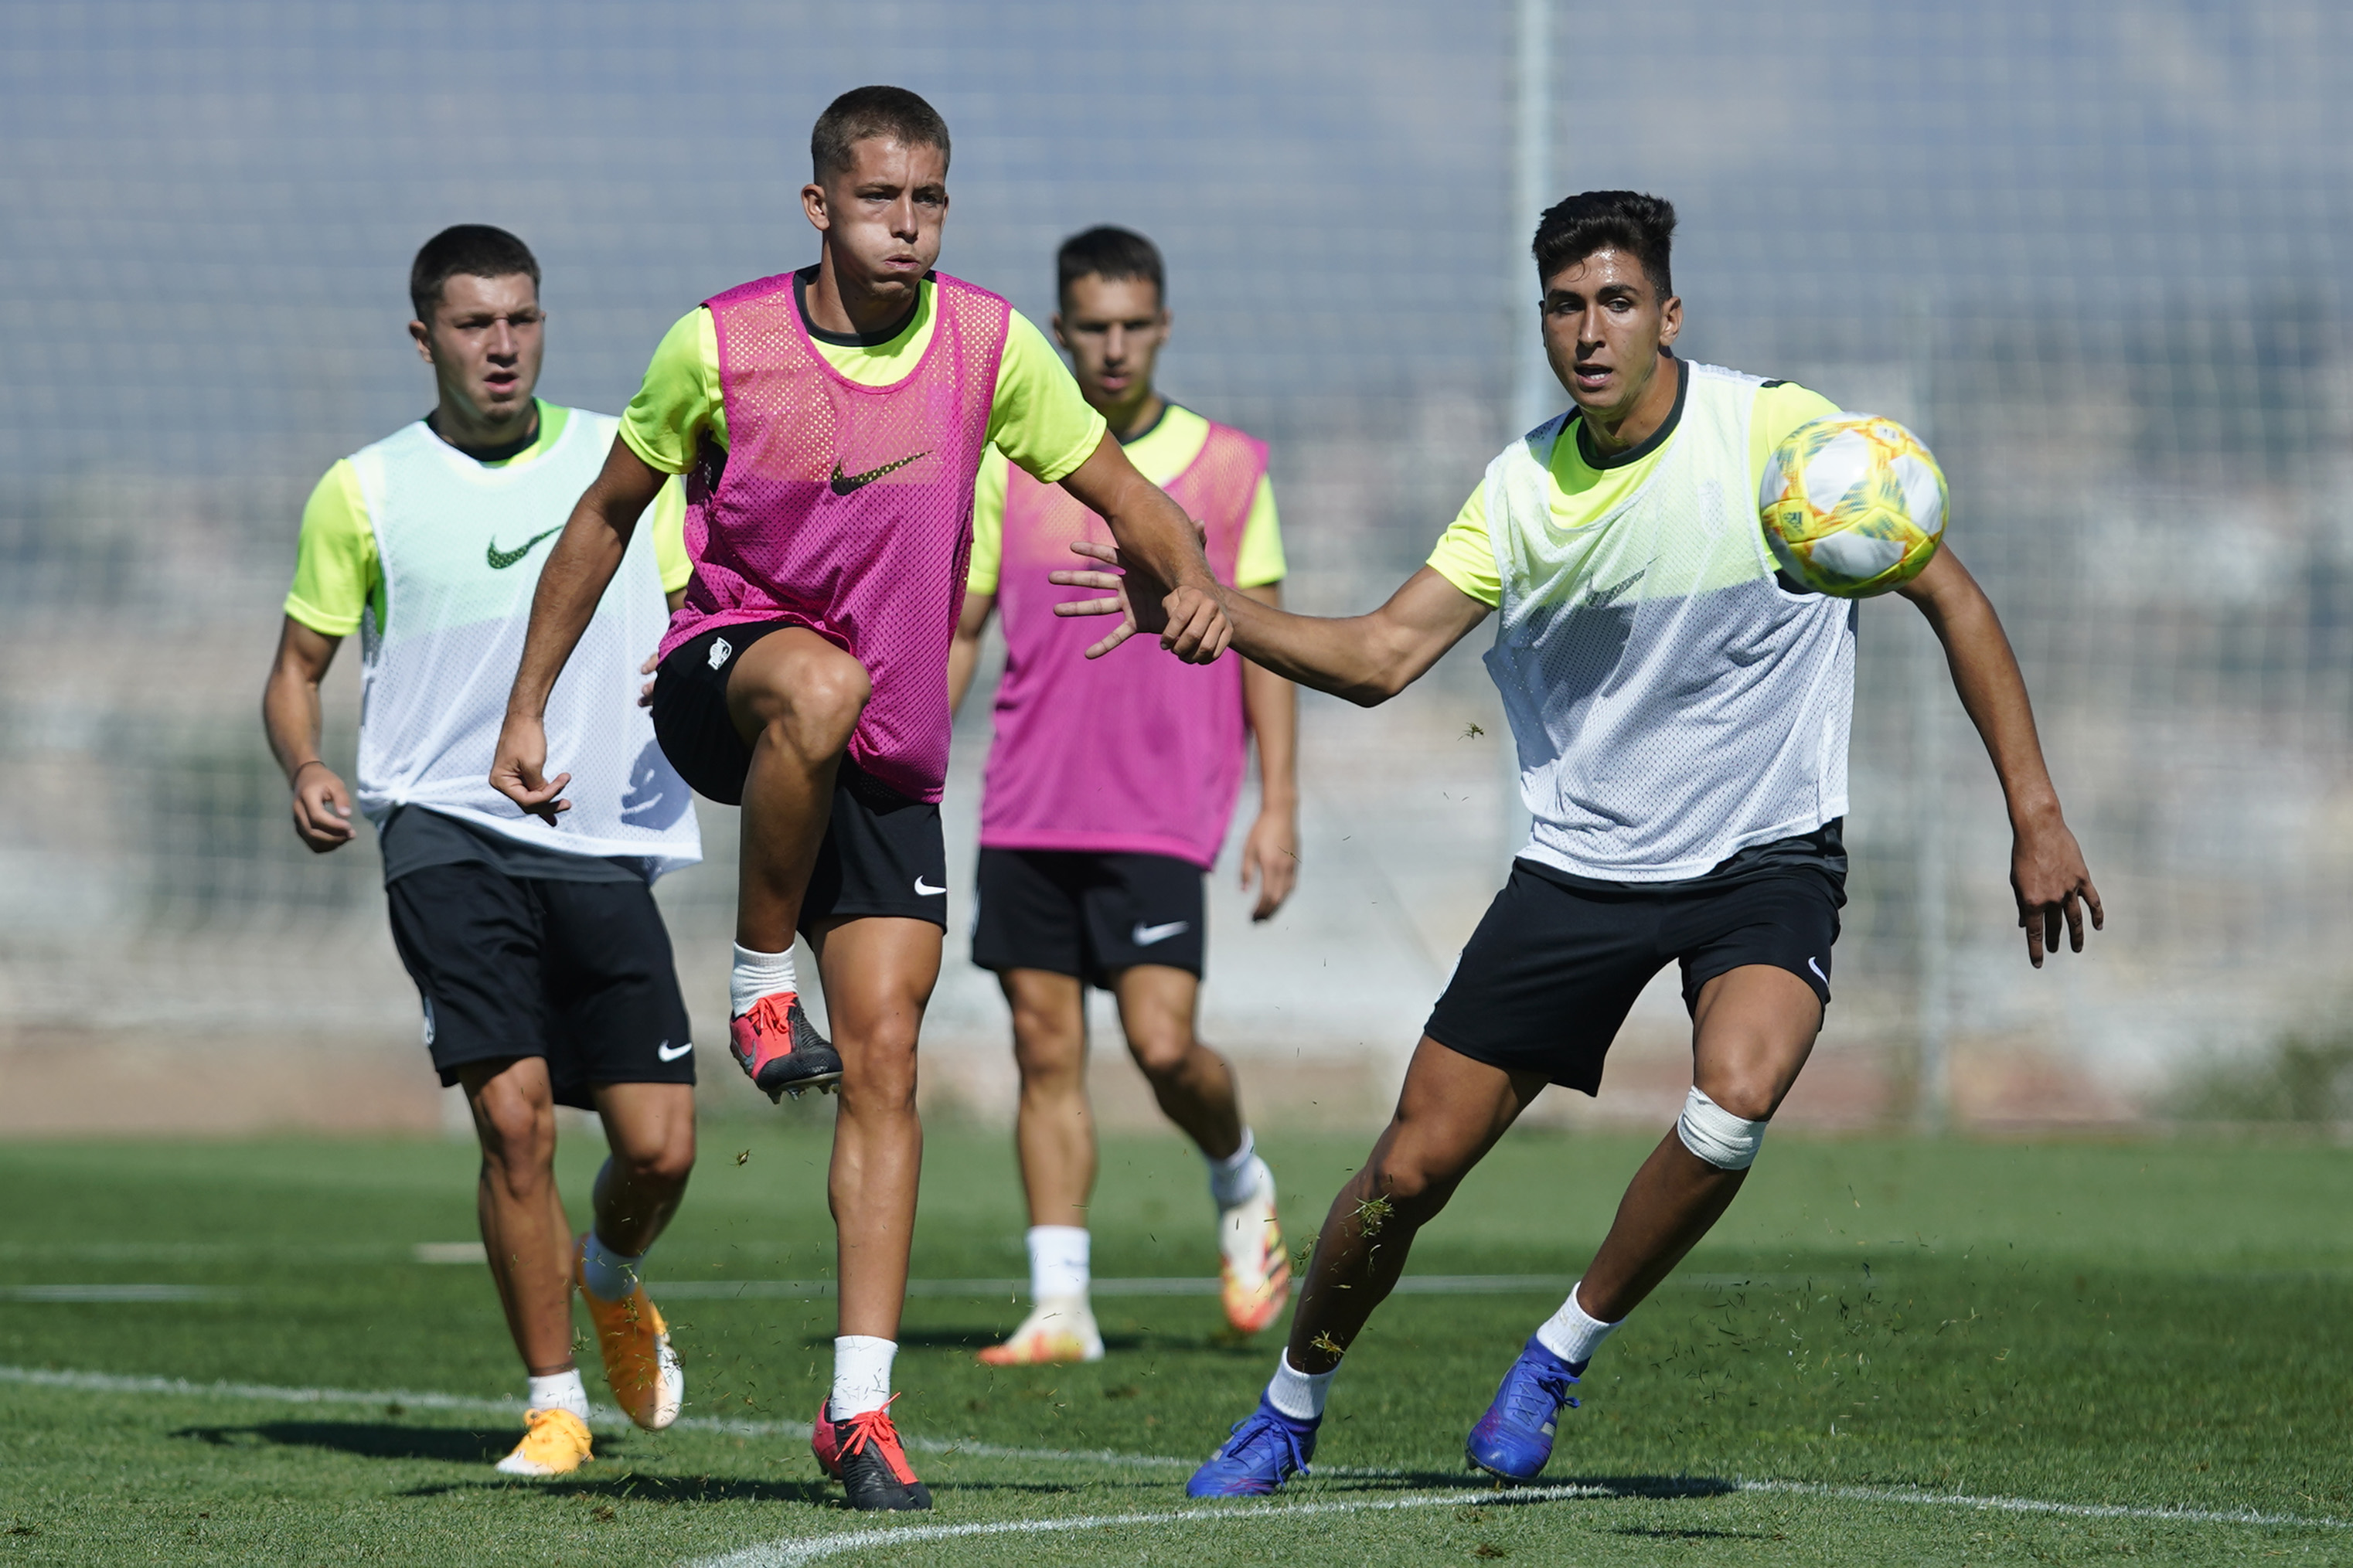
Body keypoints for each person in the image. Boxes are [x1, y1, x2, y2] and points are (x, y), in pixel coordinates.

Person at [1054, 190, 2105, 1496]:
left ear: (1670, 313)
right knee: (1406, 1170)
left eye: (1617, 303)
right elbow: (1382, 657)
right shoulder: (1520, 489)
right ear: (1542, 321)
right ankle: (1290, 1400)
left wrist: (2038, 812)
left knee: (1734, 1103)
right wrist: (1211, 613)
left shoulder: (1781, 436)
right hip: (1584, 868)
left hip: (1765, 858)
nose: (1591, 331)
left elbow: (1950, 593)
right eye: (1566, 306)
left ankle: (1557, 1353)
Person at [487, 87, 1231, 1512]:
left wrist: (1185, 578)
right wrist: (528, 704)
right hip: (733, 676)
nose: (911, 226)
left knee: (885, 1059)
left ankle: (859, 1411)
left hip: (883, 755)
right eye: (884, 199)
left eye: (933, 200)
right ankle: (761, 974)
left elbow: (1129, 492)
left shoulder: (994, 347)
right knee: (815, 692)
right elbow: (602, 514)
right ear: (820, 205)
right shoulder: (720, 343)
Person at [261, 226, 703, 1480]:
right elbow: (296, 673)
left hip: (601, 831)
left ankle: (610, 1274)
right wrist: (305, 762)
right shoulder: (366, 488)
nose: (501, 344)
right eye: (472, 323)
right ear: (425, 339)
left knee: (662, 1144)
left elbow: (693, 623)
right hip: (442, 829)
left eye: (521, 319)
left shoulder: (625, 464)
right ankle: (553, 1404)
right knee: (514, 1123)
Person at [948, 226, 1300, 1365]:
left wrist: (1278, 804)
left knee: (1161, 1045)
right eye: (1090, 326)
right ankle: (1062, 1304)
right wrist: (898, 760)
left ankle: (1242, 1180)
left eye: (1131, 325)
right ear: (1059, 331)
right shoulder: (1012, 464)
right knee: (1045, 1051)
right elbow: (961, 630)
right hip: (1024, 808)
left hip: (1159, 810)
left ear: (1162, 326)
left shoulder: (1231, 465)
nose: (1111, 347)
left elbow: (1265, 645)